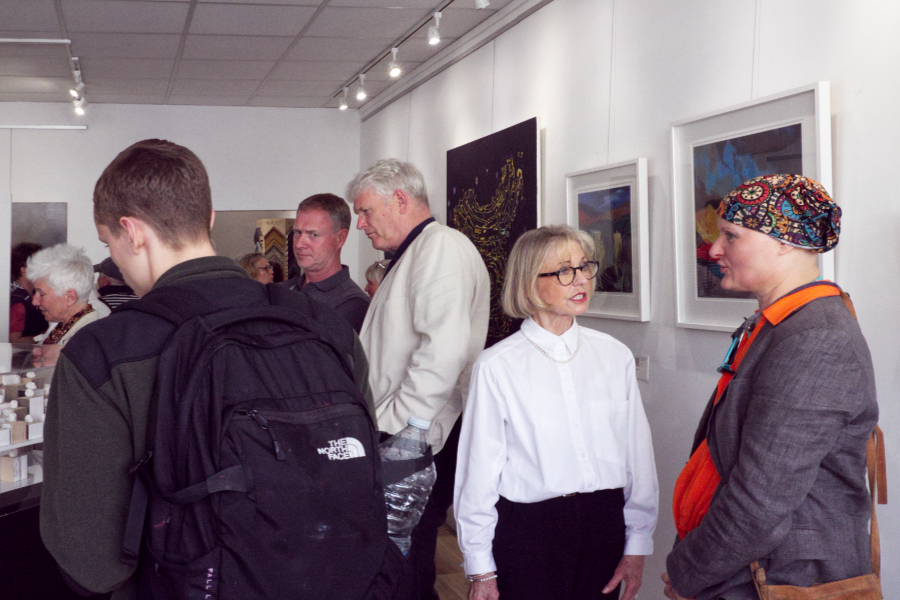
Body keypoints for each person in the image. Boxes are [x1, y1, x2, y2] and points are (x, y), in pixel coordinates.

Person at [39, 139, 375, 600]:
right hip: (339, 580)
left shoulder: (105, 354)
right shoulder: (326, 328)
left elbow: (89, 560)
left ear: (132, 232)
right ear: (209, 219)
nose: (112, 258)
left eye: (107, 242)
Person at [662, 175, 878, 600]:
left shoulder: (816, 337)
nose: (713, 250)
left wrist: (688, 572)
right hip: (745, 573)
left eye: (731, 236)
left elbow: (759, 502)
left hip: (779, 580)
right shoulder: (779, 323)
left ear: (785, 242)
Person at [455, 225, 658, 600]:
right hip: (530, 533)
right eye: (564, 271)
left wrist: (637, 544)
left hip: (605, 526)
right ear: (528, 283)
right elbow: (478, 471)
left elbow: (638, 456)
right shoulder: (497, 366)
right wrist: (480, 567)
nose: (581, 280)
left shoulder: (614, 355)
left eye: (585, 267)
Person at [348, 159, 491, 600]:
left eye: (365, 211)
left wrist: (406, 430)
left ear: (400, 199)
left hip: (412, 441)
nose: (360, 224)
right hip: (400, 434)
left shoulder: (440, 246)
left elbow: (443, 349)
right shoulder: (417, 251)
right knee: (395, 563)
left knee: (406, 571)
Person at [282, 193, 369, 332]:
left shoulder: (352, 304)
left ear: (340, 238)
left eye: (313, 234)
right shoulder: (282, 290)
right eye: (297, 232)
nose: (299, 244)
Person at [26, 244, 103, 347]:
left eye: (41, 294)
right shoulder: (64, 326)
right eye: (35, 292)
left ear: (69, 297)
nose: (34, 301)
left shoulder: (83, 341)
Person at [9, 241, 48, 343]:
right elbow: (14, 341)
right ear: (24, 270)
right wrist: (45, 337)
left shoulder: (34, 293)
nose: (44, 268)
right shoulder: (18, 302)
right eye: (38, 264)